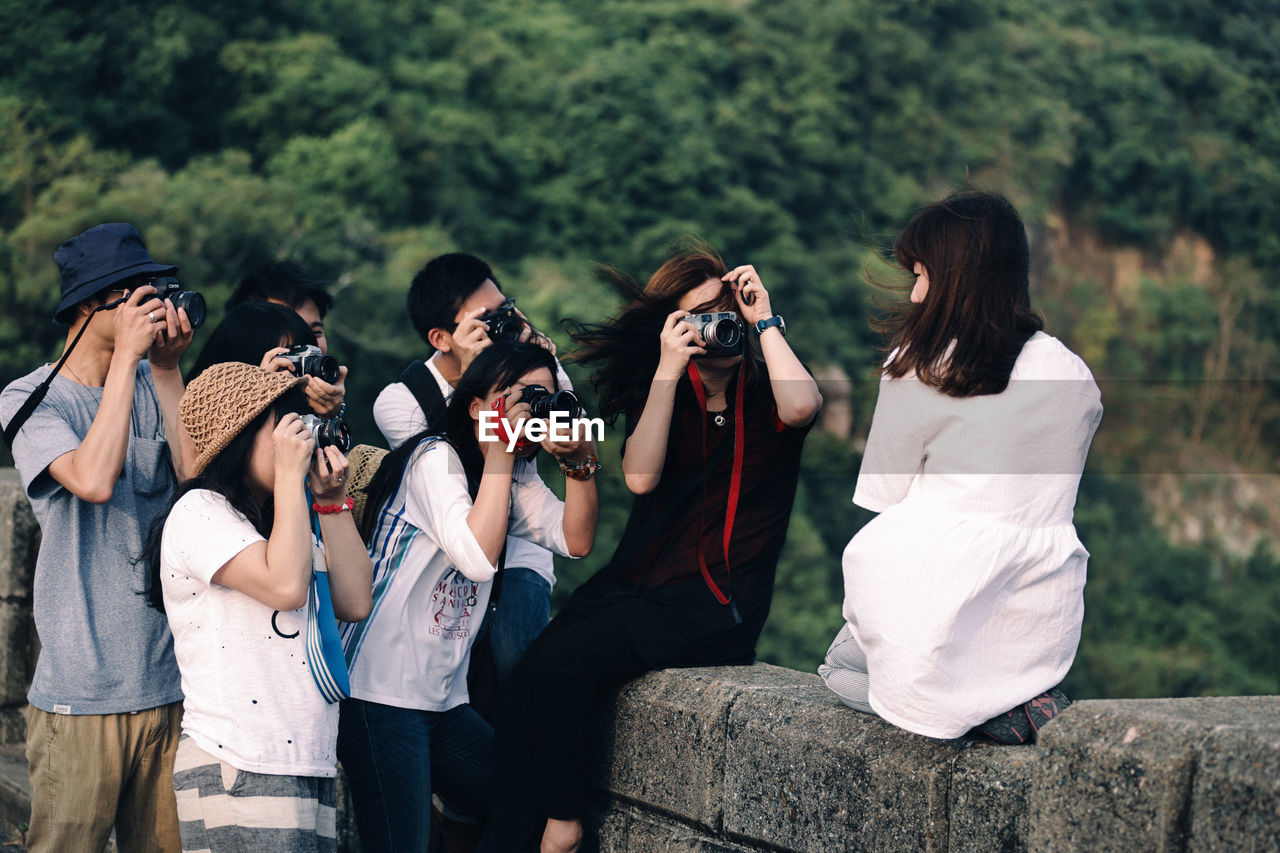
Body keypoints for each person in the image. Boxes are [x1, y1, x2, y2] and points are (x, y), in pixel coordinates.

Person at [491, 242, 822, 852]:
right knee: (528, 683)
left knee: (566, 668)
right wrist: (669, 368)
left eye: (724, 308)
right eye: (698, 316)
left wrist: (764, 317)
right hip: (638, 584)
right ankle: (517, 832)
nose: (715, 326)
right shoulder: (665, 392)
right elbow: (640, 476)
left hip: (717, 605)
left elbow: (804, 406)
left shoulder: (768, 389)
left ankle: (562, 827)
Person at [818, 191, 1103, 744]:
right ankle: (1003, 699)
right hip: (1040, 619)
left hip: (932, 595)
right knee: (962, 663)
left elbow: (884, 497)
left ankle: (970, 705)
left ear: (954, 277)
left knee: (837, 666)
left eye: (921, 275)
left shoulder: (919, 365)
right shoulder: (1074, 374)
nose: (916, 292)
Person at [339, 341, 600, 852]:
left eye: (544, 399)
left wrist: (580, 462)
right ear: (477, 407)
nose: (532, 409)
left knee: (536, 803)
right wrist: (502, 450)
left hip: (443, 705)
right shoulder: (433, 457)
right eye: (518, 396)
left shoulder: (513, 475)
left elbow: (576, 540)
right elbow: (478, 558)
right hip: (379, 698)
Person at [0, 222, 194, 852]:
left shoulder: (152, 382)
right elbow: (92, 478)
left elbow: (196, 479)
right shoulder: (30, 398)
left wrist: (165, 371)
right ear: (90, 306)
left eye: (155, 289)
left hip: (170, 684)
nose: (154, 302)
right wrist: (128, 366)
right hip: (80, 693)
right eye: (136, 293)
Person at [143, 361, 373, 851]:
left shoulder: (283, 521)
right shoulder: (199, 512)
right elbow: (286, 588)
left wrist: (331, 500)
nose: (302, 441)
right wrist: (292, 482)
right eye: (286, 426)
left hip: (303, 758)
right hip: (240, 762)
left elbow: (354, 601)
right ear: (241, 436)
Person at [373, 252, 572, 684]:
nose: (501, 327)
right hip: (450, 556)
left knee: (514, 660)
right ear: (442, 337)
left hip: (523, 548)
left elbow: (562, 431)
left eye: (505, 311)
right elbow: (442, 475)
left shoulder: (528, 369)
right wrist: (475, 378)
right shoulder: (401, 399)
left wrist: (543, 366)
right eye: (486, 320)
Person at [228, 261, 346, 417]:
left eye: (316, 332)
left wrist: (332, 413)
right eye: (290, 334)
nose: (309, 348)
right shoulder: (211, 404)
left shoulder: (326, 408)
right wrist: (259, 400)